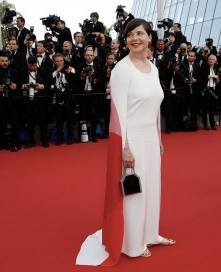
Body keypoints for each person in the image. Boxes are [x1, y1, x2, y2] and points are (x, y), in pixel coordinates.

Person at [76, 19, 175, 266]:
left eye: (140, 33)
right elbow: (117, 113)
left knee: (152, 188)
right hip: (131, 139)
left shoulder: (154, 68)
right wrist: (125, 148)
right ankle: (132, 244)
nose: (135, 38)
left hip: (151, 139)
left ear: (150, 37)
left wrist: (159, 139)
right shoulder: (122, 69)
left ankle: (150, 234)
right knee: (134, 191)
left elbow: (154, 108)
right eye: (130, 34)